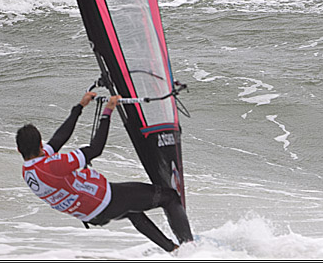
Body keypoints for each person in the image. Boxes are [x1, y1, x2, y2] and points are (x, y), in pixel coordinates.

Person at [17, 91, 193, 252]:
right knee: (169, 197)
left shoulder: (28, 170)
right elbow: (95, 149)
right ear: (40, 144)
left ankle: (173, 249)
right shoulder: (51, 166)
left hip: (91, 214)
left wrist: (79, 107)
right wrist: (108, 111)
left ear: (20, 151)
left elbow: (57, 140)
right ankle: (191, 249)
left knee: (133, 213)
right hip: (105, 200)